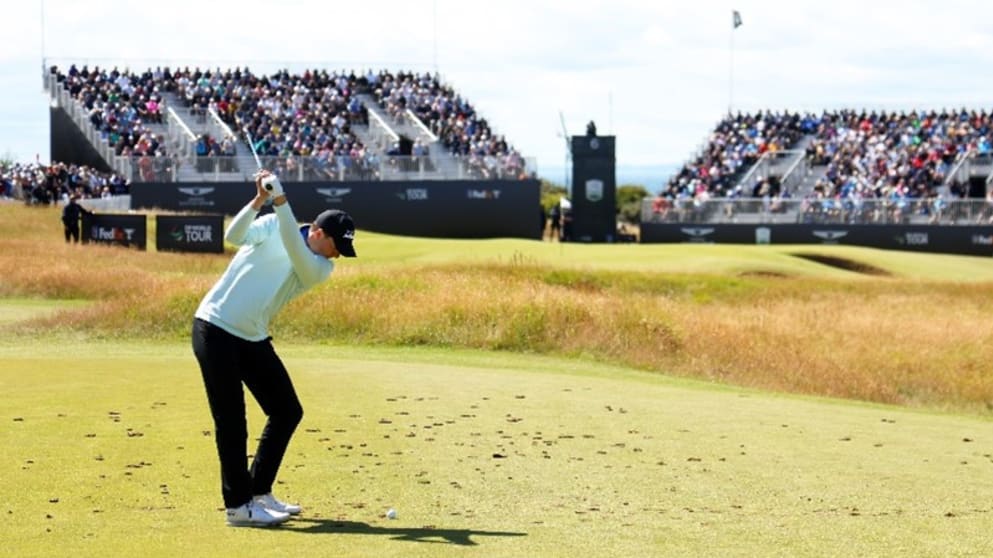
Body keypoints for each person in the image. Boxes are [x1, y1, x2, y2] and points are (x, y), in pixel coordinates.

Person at [191, 169, 357, 527]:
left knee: (286, 410)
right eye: (337, 246)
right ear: (317, 231)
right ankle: (238, 506)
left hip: (251, 336)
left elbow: (293, 245)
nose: (339, 256)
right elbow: (234, 236)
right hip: (214, 328)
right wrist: (261, 199)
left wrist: (281, 199)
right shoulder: (271, 223)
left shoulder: (318, 266)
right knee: (232, 421)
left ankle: (259, 492)